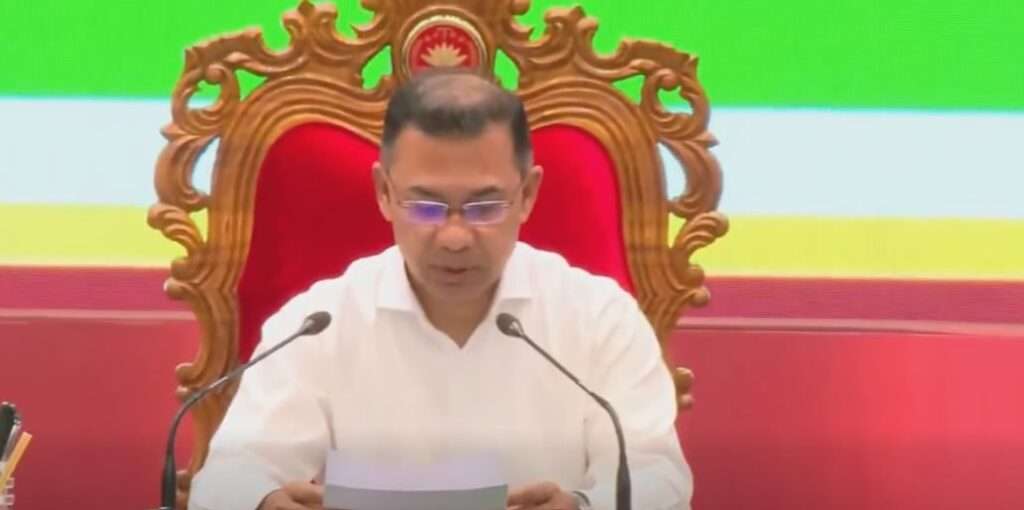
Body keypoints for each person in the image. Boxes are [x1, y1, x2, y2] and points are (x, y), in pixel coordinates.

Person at [188, 68, 692, 510]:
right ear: (384, 193)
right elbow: (228, 476)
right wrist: (261, 501)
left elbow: (659, 477)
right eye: (425, 207)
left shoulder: (599, 317)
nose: (454, 237)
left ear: (528, 194)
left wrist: (582, 507)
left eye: (484, 207)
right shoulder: (319, 323)